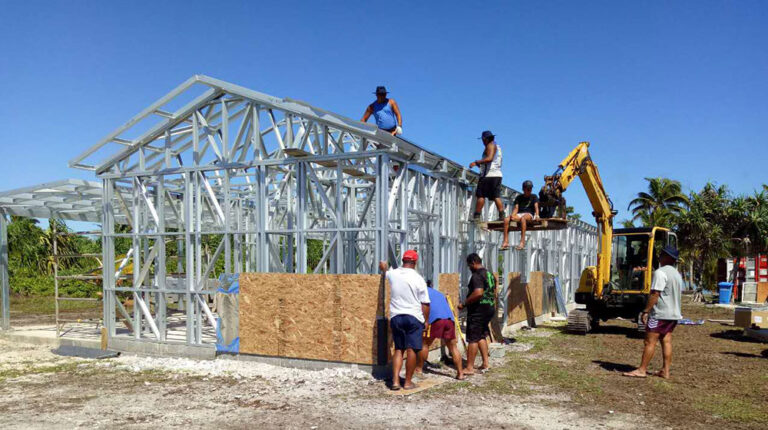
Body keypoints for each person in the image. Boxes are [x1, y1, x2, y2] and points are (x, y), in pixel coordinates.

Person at [623, 246, 683, 379]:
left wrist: (646, 311)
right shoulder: (677, 274)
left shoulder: (660, 273)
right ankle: (665, 371)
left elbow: (655, 294)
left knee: (649, 342)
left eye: (662, 254)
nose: (659, 256)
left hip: (660, 314)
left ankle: (642, 369)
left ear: (668, 257)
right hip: (673, 314)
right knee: (666, 340)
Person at [379, 250, 430, 390]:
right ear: (415, 262)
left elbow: (384, 269)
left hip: (396, 317)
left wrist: (383, 265)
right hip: (413, 317)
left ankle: (395, 381)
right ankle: (407, 382)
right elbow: (425, 303)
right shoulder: (419, 279)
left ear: (403, 260)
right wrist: (425, 321)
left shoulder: (394, 274)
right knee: (411, 349)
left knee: (398, 349)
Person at [415, 280, 465, 380]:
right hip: (449, 320)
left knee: (424, 344)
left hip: (435, 320)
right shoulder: (438, 293)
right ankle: (460, 374)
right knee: (453, 347)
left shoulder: (421, 293)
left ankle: (418, 369)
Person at [458, 253, 496, 375]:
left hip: (478, 310)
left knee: (473, 338)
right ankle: (485, 363)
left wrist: (464, 304)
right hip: (489, 307)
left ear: (473, 263)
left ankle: (469, 368)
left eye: (469, 265)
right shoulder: (489, 274)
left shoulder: (477, 275)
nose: (469, 267)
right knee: (481, 335)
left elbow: (478, 293)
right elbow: (494, 291)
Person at [469, 130, 504, 221]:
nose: (482, 142)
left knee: (481, 195)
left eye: (483, 140)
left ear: (485, 139)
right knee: (496, 196)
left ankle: (476, 216)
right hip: (497, 174)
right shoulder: (497, 146)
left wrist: (476, 162)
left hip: (488, 175)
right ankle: (502, 215)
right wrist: (480, 164)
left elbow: (489, 158)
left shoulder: (490, 145)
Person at [501, 180, 540, 251]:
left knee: (523, 219)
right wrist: (512, 215)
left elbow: (536, 207)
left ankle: (522, 242)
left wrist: (537, 215)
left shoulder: (534, 196)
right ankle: (505, 241)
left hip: (529, 214)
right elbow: (516, 208)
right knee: (506, 219)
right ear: (523, 189)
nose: (529, 190)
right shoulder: (519, 197)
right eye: (528, 189)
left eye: (530, 189)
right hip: (520, 214)